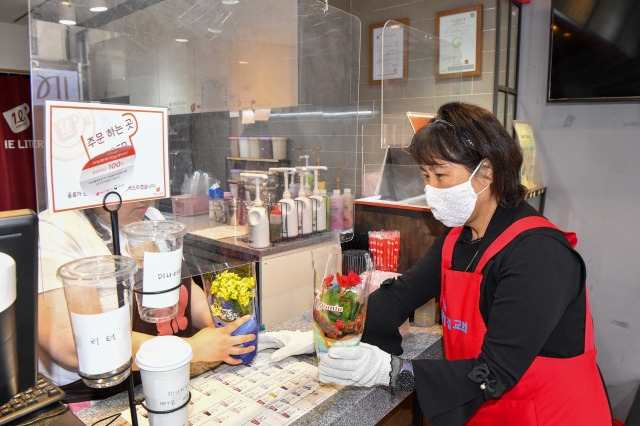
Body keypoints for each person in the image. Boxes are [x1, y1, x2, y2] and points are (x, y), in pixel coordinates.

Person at [317, 102, 613, 425]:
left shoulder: (538, 254)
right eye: (425, 176)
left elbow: (494, 372)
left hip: (551, 415)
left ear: (485, 173)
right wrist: (329, 334)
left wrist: (390, 371)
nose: (431, 189)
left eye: (441, 175)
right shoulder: (457, 238)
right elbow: (399, 296)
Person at [37, 200, 256, 408]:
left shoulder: (151, 217)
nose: (148, 198)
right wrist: (192, 348)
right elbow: (67, 344)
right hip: (103, 398)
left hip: (166, 376)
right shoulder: (55, 229)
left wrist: (219, 326)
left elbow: (186, 292)